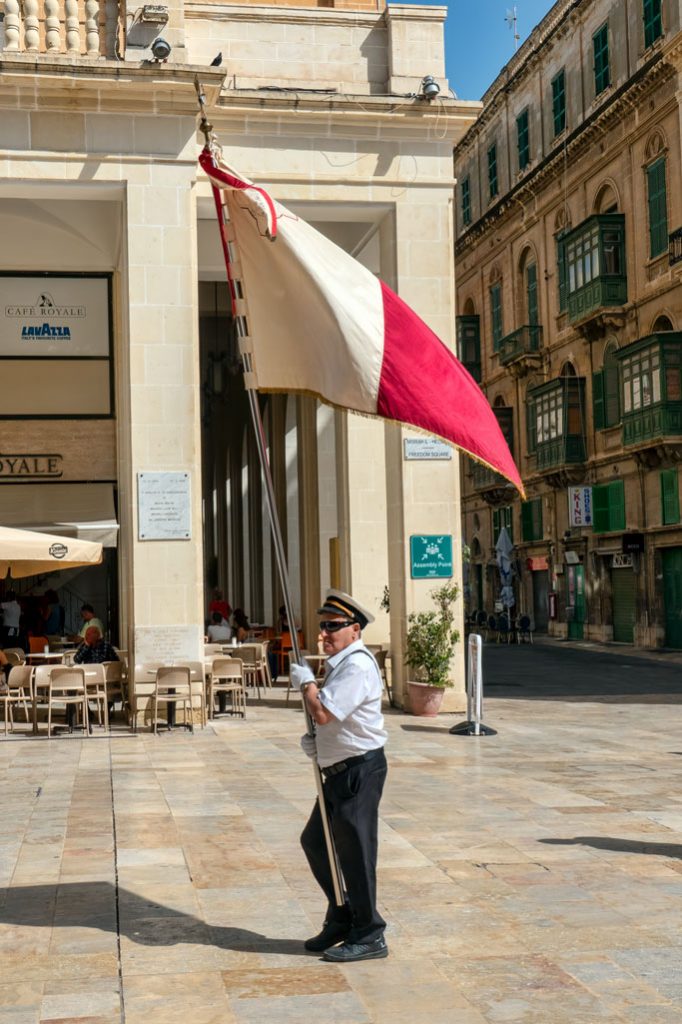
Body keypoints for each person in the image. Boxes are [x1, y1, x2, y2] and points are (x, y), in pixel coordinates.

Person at [291, 588, 388, 964]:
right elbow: (330, 723)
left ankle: (370, 933)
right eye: (323, 626)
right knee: (316, 843)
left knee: (356, 852)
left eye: (333, 626)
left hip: (359, 771)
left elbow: (325, 712)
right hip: (337, 770)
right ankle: (342, 914)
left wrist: (306, 684)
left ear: (355, 630)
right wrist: (318, 743)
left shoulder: (358, 665)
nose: (324, 634)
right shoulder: (340, 664)